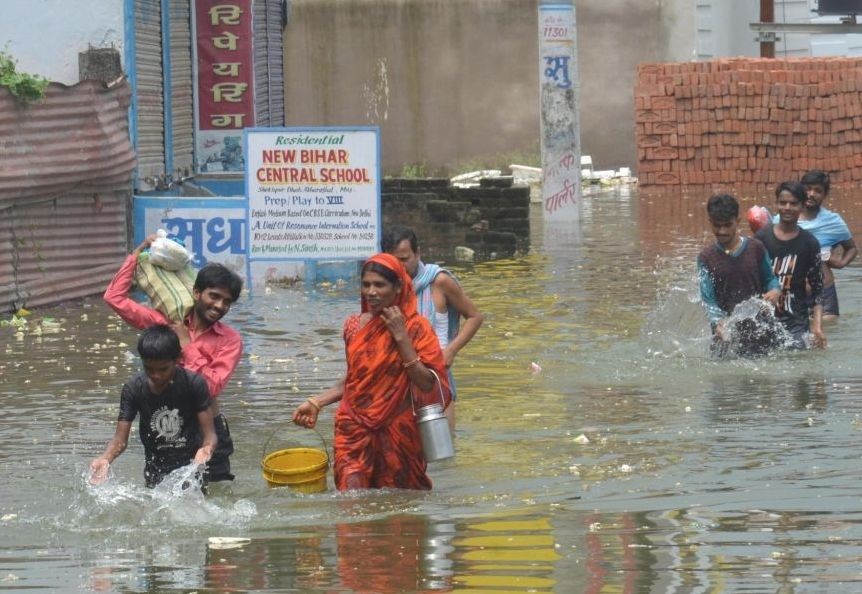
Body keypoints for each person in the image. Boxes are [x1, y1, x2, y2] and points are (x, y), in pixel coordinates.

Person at [292, 253, 451, 490]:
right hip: (353, 428)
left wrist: (401, 339)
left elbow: (428, 383)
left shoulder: (416, 327)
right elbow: (356, 378)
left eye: (379, 285)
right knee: (351, 503)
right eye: (366, 285)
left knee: (401, 508)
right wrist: (316, 402)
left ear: (398, 287)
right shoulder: (354, 326)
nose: (371, 292)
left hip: (397, 428)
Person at [103, 235, 243, 482]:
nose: (220, 305)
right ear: (197, 293)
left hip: (208, 429)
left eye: (227, 302)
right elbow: (114, 298)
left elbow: (210, 387)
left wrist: (187, 345)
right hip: (167, 427)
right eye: (214, 296)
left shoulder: (230, 341)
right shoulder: (164, 322)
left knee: (217, 498)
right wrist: (137, 253)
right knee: (161, 496)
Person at [381, 226, 483, 431]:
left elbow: (475, 316)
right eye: (393, 261)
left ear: (418, 254)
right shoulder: (385, 288)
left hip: (436, 378)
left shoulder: (439, 282)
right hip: (397, 383)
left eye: (404, 259)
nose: (399, 266)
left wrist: (451, 351)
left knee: (442, 456)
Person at [89, 325, 216, 487]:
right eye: (149, 368)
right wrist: (105, 458)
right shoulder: (133, 388)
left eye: (163, 369)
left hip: (192, 468)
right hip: (155, 469)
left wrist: (206, 449)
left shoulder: (194, 384)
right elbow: (120, 440)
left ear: (178, 359)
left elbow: (210, 434)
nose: (156, 375)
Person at [697, 194, 781, 355]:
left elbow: (770, 279)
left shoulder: (756, 248)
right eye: (717, 225)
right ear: (710, 222)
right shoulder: (705, 258)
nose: (722, 231)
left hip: (760, 329)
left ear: (738, 221)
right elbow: (708, 300)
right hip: (725, 334)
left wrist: (775, 290)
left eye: (728, 225)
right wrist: (717, 323)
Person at [756, 181, 827, 349]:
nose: (787, 207)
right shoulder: (761, 239)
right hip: (764, 321)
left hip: (796, 323)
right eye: (783, 202)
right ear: (776, 205)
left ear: (802, 206)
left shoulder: (810, 243)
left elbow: (818, 290)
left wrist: (817, 327)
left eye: (793, 203)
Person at [797, 170, 857, 319]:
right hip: (794, 292)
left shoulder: (833, 221)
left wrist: (841, 262)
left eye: (818, 191)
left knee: (830, 334)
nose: (811, 194)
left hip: (824, 290)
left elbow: (851, 248)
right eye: (808, 188)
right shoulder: (784, 219)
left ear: (825, 194)